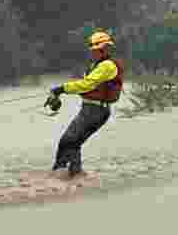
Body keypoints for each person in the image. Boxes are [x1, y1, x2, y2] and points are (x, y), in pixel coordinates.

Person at [45, 31, 123, 177]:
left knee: (71, 140)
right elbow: (86, 86)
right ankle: (64, 173)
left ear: (105, 49)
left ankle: (70, 175)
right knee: (69, 141)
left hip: (96, 111)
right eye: (93, 50)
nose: (95, 53)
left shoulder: (107, 66)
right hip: (89, 109)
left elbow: (86, 85)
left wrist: (61, 89)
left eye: (98, 50)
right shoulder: (97, 65)